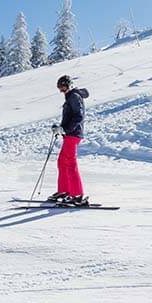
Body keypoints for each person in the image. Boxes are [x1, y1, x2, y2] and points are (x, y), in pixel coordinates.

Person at [46, 74, 90, 206]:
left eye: (63, 87)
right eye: (60, 88)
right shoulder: (70, 97)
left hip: (73, 134)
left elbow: (79, 116)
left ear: (69, 85)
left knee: (70, 163)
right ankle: (64, 191)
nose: (61, 90)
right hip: (69, 134)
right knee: (62, 162)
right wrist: (60, 128)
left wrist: (66, 129)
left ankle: (77, 195)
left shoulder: (74, 96)